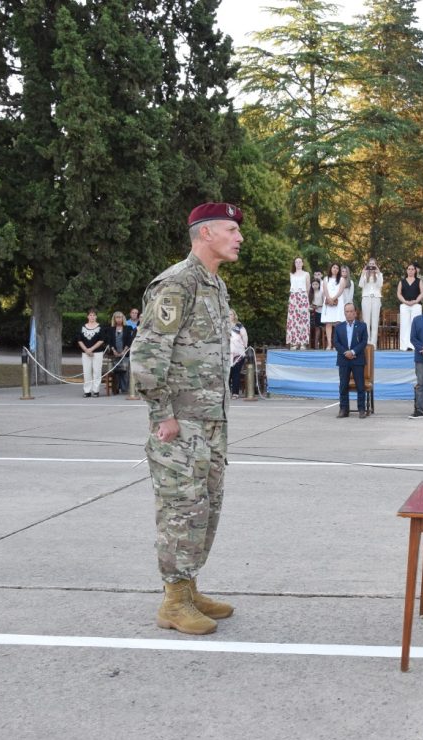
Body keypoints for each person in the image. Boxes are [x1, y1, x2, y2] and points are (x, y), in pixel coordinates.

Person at [131, 201, 241, 636]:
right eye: (231, 230)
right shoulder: (177, 283)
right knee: (181, 509)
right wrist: (163, 413)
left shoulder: (214, 285)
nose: (239, 237)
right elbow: (147, 354)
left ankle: (189, 588)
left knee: (205, 508)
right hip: (181, 424)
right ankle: (174, 601)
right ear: (205, 233)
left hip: (210, 422)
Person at [333, 302, 369, 418]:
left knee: (360, 385)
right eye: (346, 312)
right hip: (343, 360)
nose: (349, 314)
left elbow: (364, 342)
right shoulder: (338, 327)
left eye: (351, 311)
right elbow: (336, 343)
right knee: (343, 385)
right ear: (344, 313)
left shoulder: (362, 326)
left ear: (355, 313)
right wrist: (345, 353)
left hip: (357, 359)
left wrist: (353, 352)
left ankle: (361, 409)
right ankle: (343, 409)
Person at [77, 308, 106, 398]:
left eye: (93, 315)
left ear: (96, 316)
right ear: (87, 316)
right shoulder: (82, 327)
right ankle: (87, 391)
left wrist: (91, 349)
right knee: (86, 372)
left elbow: (101, 340)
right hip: (85, 353)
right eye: (90, 315)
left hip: (97, 352)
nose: (92, 317)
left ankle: (96, 391)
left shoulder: (100, 327)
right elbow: (79, 340)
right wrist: (86, 350)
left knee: (97, 371)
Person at [321, 263, 349, 350]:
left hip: (338, 302)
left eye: (337, 268)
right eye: (334, 267)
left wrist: (333, 298)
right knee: (328, 323)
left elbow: (341, 291)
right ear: (331, 268)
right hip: (328, 302)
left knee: (337, 323)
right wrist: (329, 299)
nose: (335, 269)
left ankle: (337, 344)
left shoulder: (341, 279)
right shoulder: (326, 279)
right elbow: (325, 290)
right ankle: (329, 344)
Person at [397, 263, 423, 351]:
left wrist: (416, 301)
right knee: (404, 325)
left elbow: (422, 293)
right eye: (409, 269)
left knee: (416, 325)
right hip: (404, 305)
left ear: (415, 271)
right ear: (406, 270)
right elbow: (398, 293)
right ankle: (404, 346)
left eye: (412, 269)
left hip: (416, 305)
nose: (410, 270)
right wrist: (404, 301)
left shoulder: (419, 281)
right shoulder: (402, 281)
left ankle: (414, 346)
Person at [107, 311, 136, 394]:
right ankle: (116, 388)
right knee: (116, 371)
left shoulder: (128, 328)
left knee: (125, 371)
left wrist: (124, 351)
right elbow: (110, 341)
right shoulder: (111, 329)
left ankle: (125, 388)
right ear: (114, 319)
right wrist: (114, 351)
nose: (118, 319)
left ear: (122, 318)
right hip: (115, 352)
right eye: (117, 317)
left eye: (120, 317)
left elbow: (129, 341)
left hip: (125, 352)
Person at [286, 257, 311, 349]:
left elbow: (308, 287)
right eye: (296, 262)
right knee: (293, 320)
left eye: (300, 262)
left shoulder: (306, 274)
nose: (298, 263)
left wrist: (304, 298)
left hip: (303, 297)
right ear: (294, 264)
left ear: (302, 263)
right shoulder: (291, 274)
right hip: (293, 297)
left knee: (303, 320)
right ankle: (294, 342)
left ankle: (303, 342)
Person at [359, 258, 383, 346]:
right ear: (368, 265)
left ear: (376, 265)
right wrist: (362, 274)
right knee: (366, 320)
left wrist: (378, 273)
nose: (372, 265)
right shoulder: (365, 275)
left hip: (376, 298)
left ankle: (374, 342)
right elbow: (361, 285)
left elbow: (380, 285)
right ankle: (367, 341)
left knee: (375, 320)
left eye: (373, 264)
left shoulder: (379, 274)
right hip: (366, 298)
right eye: (370, 264)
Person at [228, 310, 249, 398]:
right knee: (227, 374)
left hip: (238, 354)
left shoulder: (239, 326)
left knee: (236, 374)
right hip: (227, 354)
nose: (229, 316)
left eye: (231, 314)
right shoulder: (223, 325)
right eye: (228, 314)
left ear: (234, 315)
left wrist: (245, 347)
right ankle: (227, 392)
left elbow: (245, 337)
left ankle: (235, 393)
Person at [309, 277, 324, 350]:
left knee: (323, 328)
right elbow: (309, 304)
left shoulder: (322, 292)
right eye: (313, 284)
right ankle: (316, 345)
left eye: (316, 284)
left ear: (319, 285)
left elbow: (324, 303)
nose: (315, 285)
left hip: (322, 312)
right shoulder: (310, 293)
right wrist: (312, 306)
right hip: (314, 312)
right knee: (317, 328)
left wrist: (318, 306)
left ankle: (323, 344)